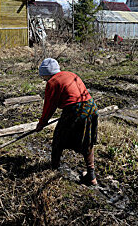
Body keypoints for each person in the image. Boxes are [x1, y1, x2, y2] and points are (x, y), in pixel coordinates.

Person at [36, 58, 99, 186]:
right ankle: (91, 176)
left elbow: (49, 106)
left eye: (44, 76)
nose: (44, 79)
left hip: (76, 110)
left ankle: (54, 169)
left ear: (47, 73)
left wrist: (41, 123)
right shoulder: (71, 75)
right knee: (87, 141)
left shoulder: (53, 82)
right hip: (91, 107)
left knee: (58, 139)